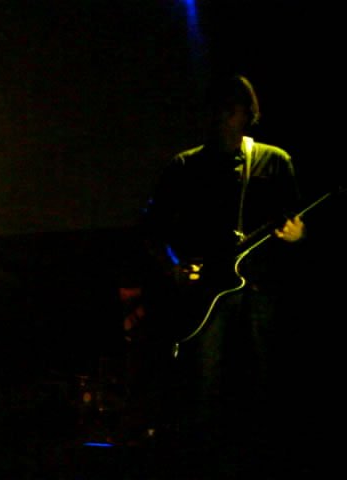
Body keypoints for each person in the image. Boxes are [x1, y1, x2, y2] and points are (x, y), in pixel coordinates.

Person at [141, 74, 306, 478]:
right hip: (205, 296)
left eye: (231, 110)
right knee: (204, 388)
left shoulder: (274, 160)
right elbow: (152, 229)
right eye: (216, 109)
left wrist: (298, 235)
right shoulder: (184, 165)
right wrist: (173, 266)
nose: (222, 118)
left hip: (261, 292)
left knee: (262, 384)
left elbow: (298, 223)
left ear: (248, 113)